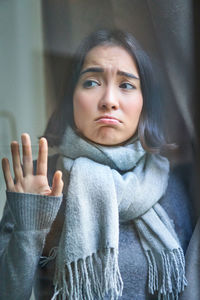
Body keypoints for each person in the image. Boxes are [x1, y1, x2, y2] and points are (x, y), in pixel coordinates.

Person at [0, 29, 193, 300]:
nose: (108, 101)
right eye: (91, 82)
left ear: (144, 104)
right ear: (71, 99)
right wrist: (29, 225)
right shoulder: (39, 179)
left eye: (126, 85)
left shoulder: (171, 185)